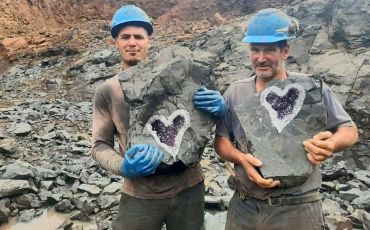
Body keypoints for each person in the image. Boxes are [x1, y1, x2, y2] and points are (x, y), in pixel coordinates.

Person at [214, 8, 358, 229]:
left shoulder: (311, 88)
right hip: (244, 205)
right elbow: (221, 141)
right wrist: (241, 159)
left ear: (285, 50)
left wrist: (330, 144)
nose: (260, 58)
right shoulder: (236, 92)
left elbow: (349, 130)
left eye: (269, 49)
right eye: (255, 50)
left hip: (297, 206)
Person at [91, 4, 226, 230]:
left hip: (189, 187)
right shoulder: (108, 91)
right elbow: (99, 146)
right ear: (115, 42)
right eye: (125, 37)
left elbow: (206, 129)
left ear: (148, 41)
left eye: (138, 36)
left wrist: (222, 110)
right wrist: (123, 166)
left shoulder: (180, 78)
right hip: (140, 192)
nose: (132, 42)